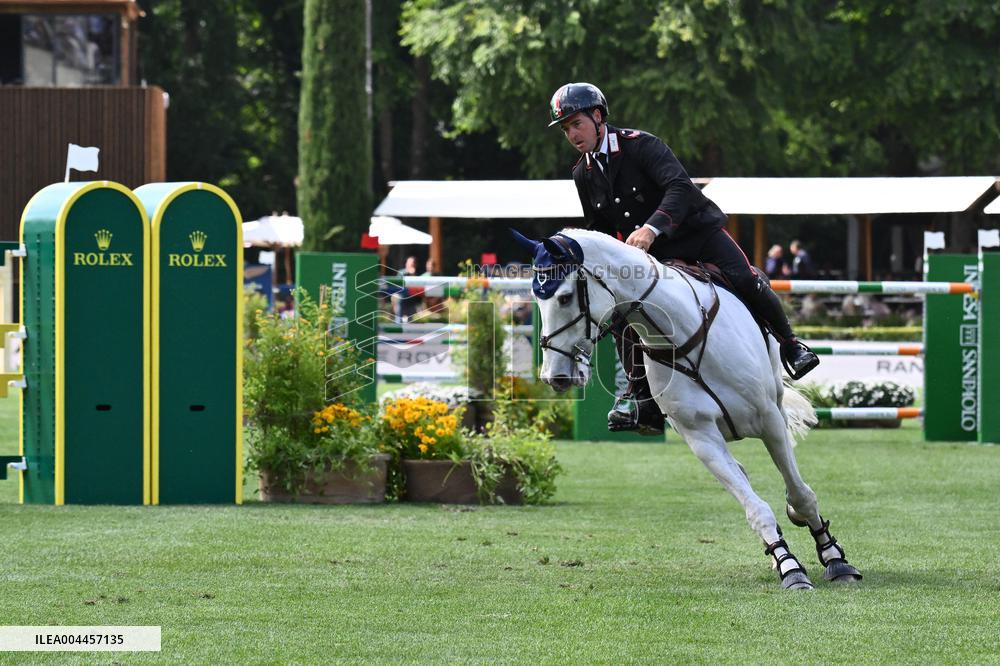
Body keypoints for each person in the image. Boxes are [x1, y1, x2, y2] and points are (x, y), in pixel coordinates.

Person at [548, 82, 819, 435]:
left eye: (576, 124)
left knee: (743, 278)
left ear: (598, 117)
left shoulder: (641, 145)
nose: (572, 134)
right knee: (622, 311)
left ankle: (790, 345)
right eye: (566, 128)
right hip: (654, 257)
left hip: (698, 234)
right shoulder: (582, 172)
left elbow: (680, 188)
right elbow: (599, 226)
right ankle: (640, 397)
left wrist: (651, 228)